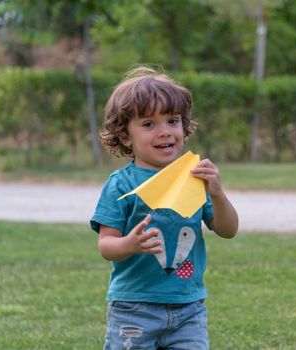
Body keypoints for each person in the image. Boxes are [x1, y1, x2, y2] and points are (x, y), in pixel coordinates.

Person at [90, 66, 239, 350]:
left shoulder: (193, 177)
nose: (164, 132)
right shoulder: (120, 185)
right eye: (149, 124)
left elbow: (228, 229)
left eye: (172, 120)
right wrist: (130, 244)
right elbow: (106, 245)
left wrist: (218, 194)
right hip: (134, 307)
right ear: (124, 136)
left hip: (189, 308)